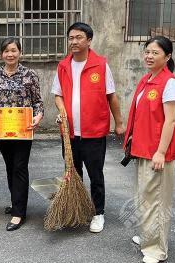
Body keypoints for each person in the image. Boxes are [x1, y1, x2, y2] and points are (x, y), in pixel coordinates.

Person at [52, 22, 124, 233]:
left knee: (95, 174)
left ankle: (98, 213)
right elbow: (58, 94)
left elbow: (111, 95)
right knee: (72, 173)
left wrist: (119, 123)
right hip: (69, 133)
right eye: (71, 37)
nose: (74, 41)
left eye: (79, 37)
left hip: (94, 133)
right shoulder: (63, 65)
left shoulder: (100, 65)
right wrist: (62, 110)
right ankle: (78, 209)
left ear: (89, 40)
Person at [123, 36, 175, 263]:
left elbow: (171, 121)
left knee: (156, 200)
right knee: (145, 197)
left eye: (155, 52)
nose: (149, 56)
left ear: (167, 57)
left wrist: (161, 152)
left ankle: (156, 249)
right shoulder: (148, 79)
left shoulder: (169, 83)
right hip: (142, 149)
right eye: (147, 51)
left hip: (157, 152)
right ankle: (149, 236)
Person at [0, 37, 44, 231]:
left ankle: (19, 213)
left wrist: (38, 116)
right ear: (1, 54)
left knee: (19, 167)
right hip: (2, 130)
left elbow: (38, 102)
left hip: (23, 130)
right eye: (6, 51)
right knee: (10, 167)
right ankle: (16, 202)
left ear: (20, 52)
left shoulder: (29, 75)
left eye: (13, 50)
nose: (10, 54)